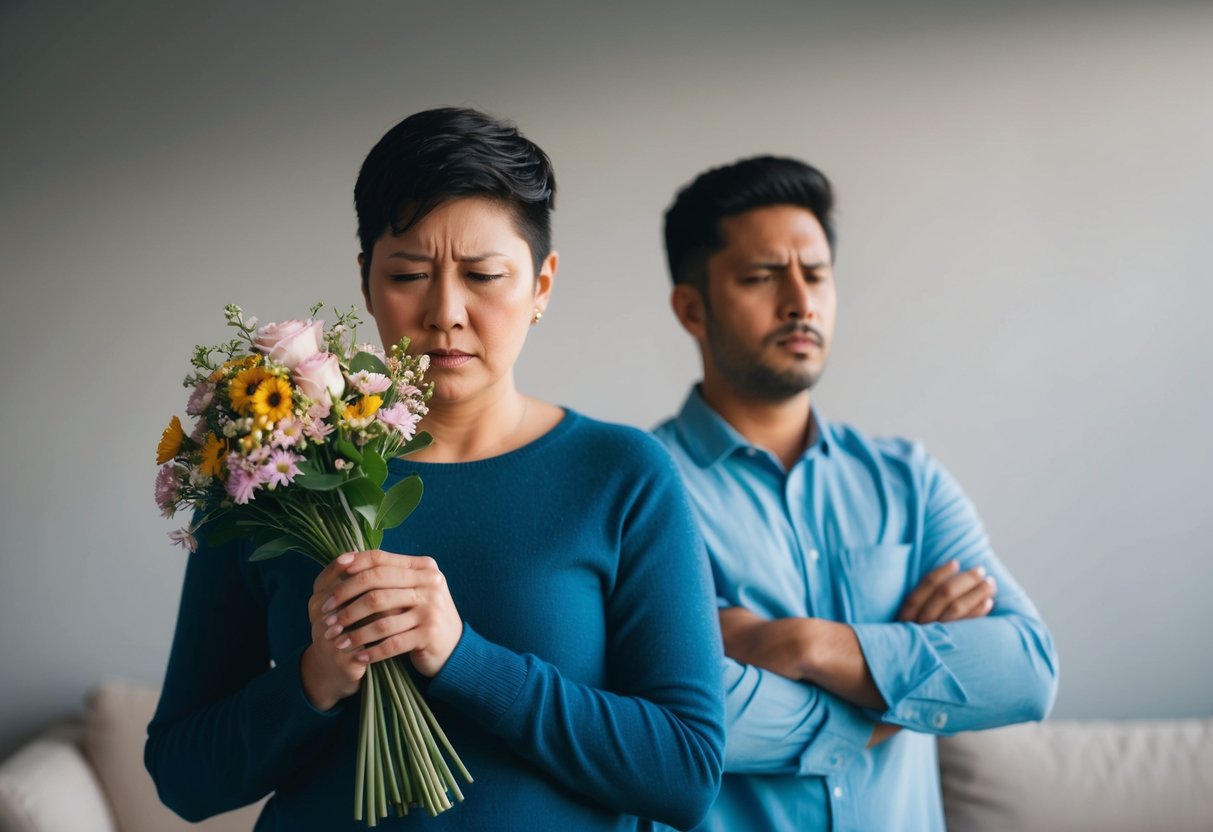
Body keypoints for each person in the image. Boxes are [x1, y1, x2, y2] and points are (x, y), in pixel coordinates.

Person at [145, 107, 724, 831]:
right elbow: (181, 777)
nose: (446, 311)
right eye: (409, 274)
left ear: (541, 285)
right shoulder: (271, 469)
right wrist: (314, 679)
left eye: (484, 275)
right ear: (365, 281)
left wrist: (463, 658)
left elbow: (686, 774)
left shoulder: (622, 475)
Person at [653, 155, 1059, 831]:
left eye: (815, 275)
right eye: (760, 277)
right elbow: (686, 714)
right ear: (691, 308)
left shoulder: (908, 479)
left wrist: (803, 645)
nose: (800, 302)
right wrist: (900, 676)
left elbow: (1024, 670)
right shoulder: (642, 489)